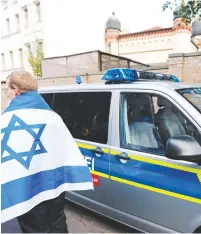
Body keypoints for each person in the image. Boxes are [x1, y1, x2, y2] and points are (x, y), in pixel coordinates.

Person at [1, 71, 93, 233]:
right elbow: (64, 149)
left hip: (27, 188)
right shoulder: (52, 116)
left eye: (6, 89)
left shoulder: (7, 120)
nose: (5, 93)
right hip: (54, 185)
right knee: (57, 222)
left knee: (36, 229)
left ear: (15, 89)